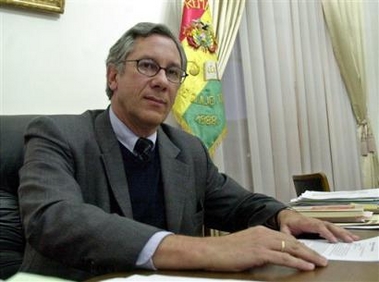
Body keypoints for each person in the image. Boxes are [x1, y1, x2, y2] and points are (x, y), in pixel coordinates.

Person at [18, 22, 359, 281]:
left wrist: (282, 215)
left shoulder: (185, 147)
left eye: (173, 72)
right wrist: (205, 249)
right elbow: (53, 220)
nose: (162, 81)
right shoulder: (57, 134)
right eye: (148, 66)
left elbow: (238, 203)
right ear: (113, 76)